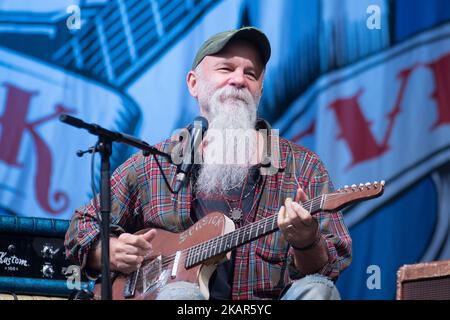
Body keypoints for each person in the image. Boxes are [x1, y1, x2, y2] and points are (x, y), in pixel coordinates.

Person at [65, 26, 352, 300]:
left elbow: (329, 268)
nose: (239, 80)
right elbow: (81, 228)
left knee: (319, 290)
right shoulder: (154, 164)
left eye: (250, 74)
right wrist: (111, 250)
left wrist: (306, 240)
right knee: (181, 294)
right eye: (226, 69)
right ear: (194, 84)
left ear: (259, 91)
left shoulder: (302, 167)